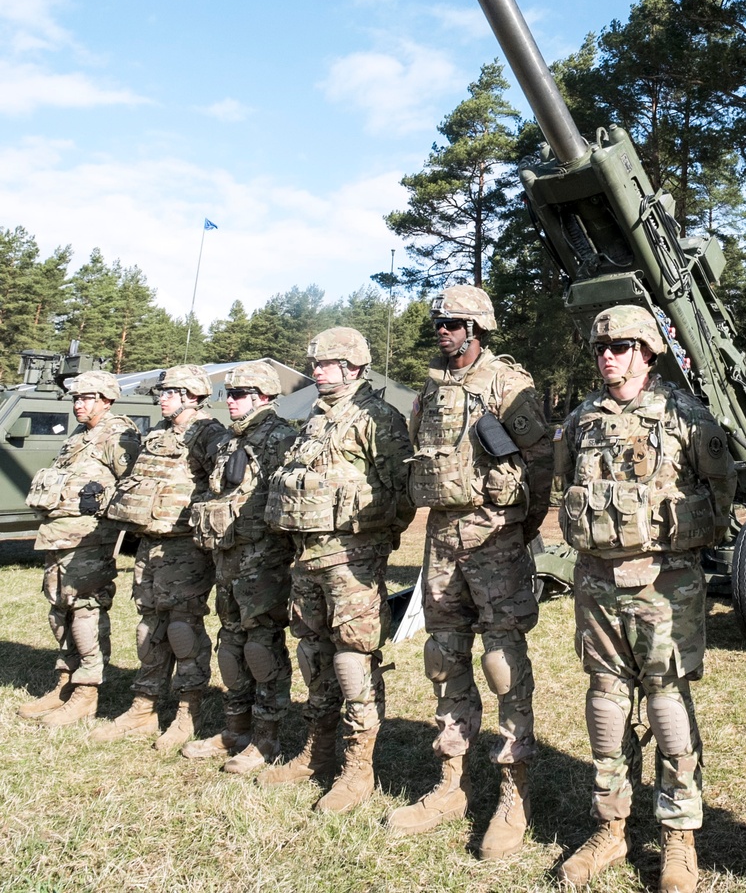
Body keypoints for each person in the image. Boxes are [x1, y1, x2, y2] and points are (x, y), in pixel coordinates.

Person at [558, 306, 736, 893]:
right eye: (601, 347)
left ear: (648, 351)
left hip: (664, 584)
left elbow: (720, 492)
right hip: (596, 582)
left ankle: (679, 839)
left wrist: (678, 547)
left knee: (665, 703)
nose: (609, 355)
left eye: (622, 345)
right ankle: (611, 828)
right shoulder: (583, 419)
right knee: (606, 703)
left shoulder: (684, 415)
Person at [387, 285, 553, 863]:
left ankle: (514, 794)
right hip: (442, 544)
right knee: (444, 658)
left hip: (496, 541)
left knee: (503, 664)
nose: (444, 330)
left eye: (455, 323)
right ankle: (450, 784)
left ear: (478, 328)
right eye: (440, 322)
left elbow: (539, 461)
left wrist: (518, 529)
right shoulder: (430, 391)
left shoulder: (508, 385)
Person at [260, 327, 414, 813]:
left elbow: (402, 492)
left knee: (352, 658)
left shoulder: (377, 418)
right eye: (315, 363)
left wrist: (373, 544)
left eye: (325, 363)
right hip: (308, 556)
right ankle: (317, 750)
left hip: (352, 558)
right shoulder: (316, 418)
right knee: (312, 652)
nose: (316, 370)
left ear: (353, 366)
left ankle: (357, 767)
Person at [94, 363, 228, 751]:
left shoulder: (208, 434)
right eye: (162, 392)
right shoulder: (158, 434)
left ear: (191, 396)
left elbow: (221, 488)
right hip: (151, 545)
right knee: (148, 627)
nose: (162, 398)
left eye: (169, 392)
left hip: (184, 547)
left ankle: (188, 712)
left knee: (182, 629)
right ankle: (144, 705)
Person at [182, 361, 298, 773]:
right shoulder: (230, 441)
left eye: (240, 394)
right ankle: (235, 729)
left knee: (260, 645)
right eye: (228, 394)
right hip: (228, 558)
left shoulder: (282, 437)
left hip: (263, 561)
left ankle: (267, 737)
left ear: (264, 396)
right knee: (229, 643)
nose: (230, 401)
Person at [18, 370, 140, 728]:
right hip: (59, 534)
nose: (78, 404)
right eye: (76, 398)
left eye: (86, 398)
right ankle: (65, 682)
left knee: (85, 610)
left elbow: (130, 484)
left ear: (106, 400)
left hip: (90, 537)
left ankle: (87, 691)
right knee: (59, 609)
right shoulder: (80, 435)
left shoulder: (118, 435)